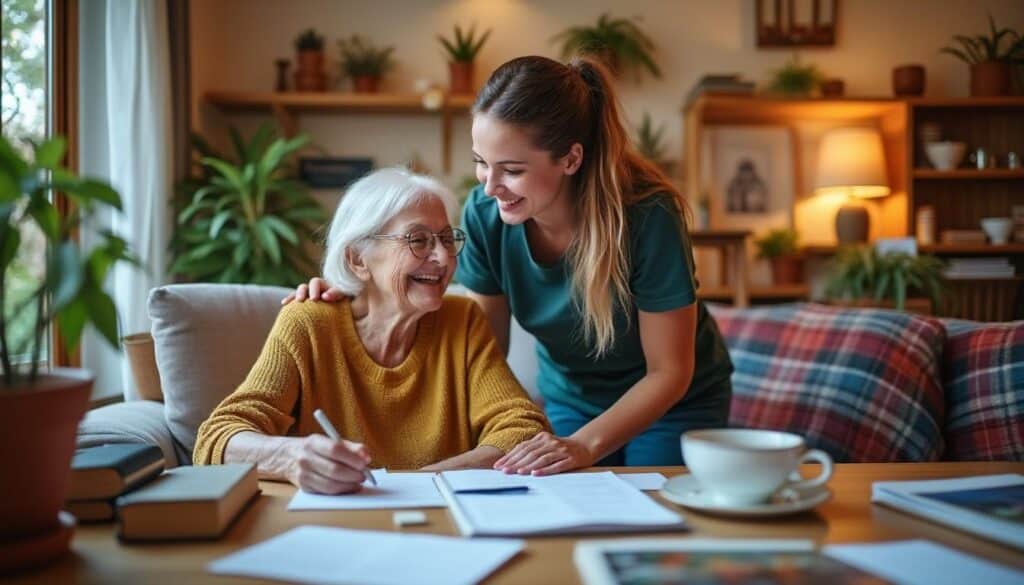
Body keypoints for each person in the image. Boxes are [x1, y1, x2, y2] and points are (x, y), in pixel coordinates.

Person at [287, 55, 733, 475]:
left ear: (570, 159)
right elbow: (482, 346)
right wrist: (356, 297)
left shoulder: (648, 217)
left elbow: (669, 372)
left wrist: (585, 445)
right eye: (481, 163)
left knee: (654, 514)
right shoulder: (486, 218)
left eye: (512, 170)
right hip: (571, 398)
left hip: (674, 400)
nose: (490, 186)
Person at [194, 167, 549, 494]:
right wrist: (289, 456)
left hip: (439, 520)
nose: (442, 258)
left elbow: (523, 429)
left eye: (446, 238)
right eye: (419, 240)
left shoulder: (463, 321)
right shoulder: (309, 323)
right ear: (357, 259)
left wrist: (419, 484)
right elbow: (217, 440)